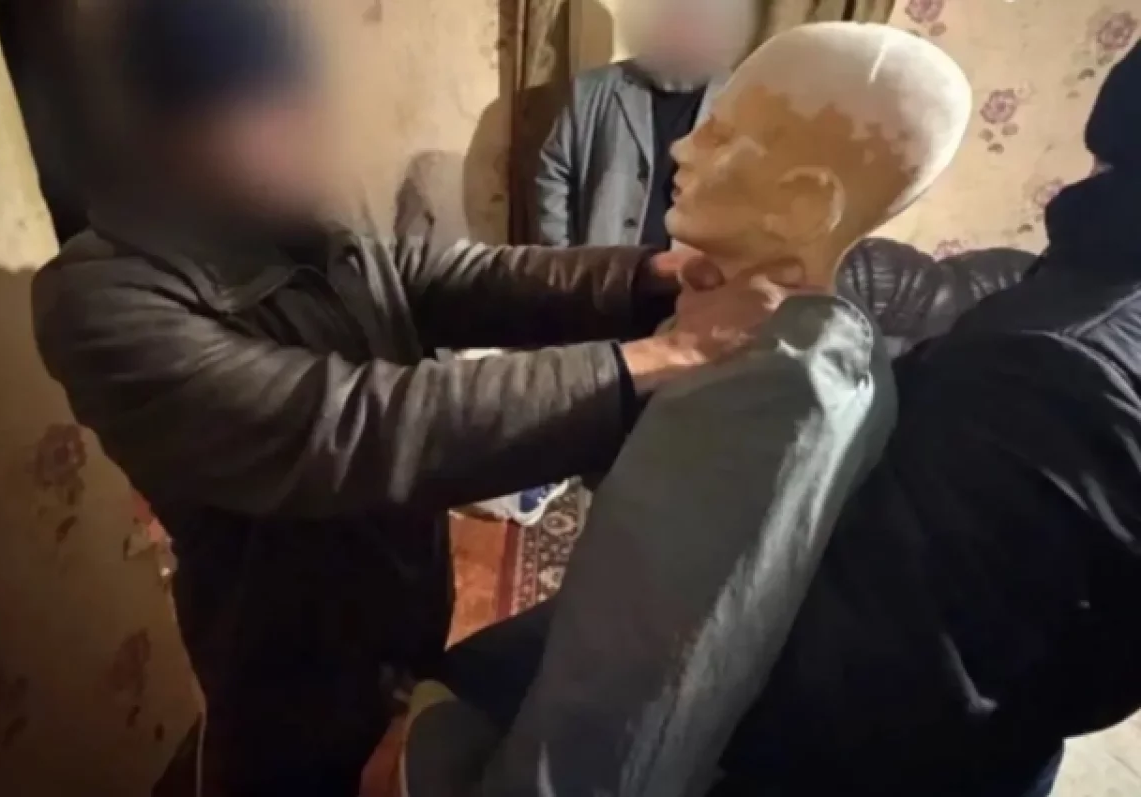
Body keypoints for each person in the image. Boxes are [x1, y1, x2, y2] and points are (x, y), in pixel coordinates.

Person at [28, 0, 776, 794]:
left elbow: (438, 277)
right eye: (268, 112)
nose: (306, 133)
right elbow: (353, 427)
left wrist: (641, 277)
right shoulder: (99, 300)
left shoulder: (299, 209)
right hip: (286, 665)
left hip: (404, 602)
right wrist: (646, 365)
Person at [446, 38, 1141, 797]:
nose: (684, 146)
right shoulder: (842, 346)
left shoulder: (777, 387)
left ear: (807, 201)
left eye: (722, 135)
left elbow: (645, 668)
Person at [535, 0, 762, 248]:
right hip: (603, 269)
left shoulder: (742, 101)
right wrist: (563, 260)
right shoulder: (588, 91)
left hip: (695, 269)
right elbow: (553, 177)